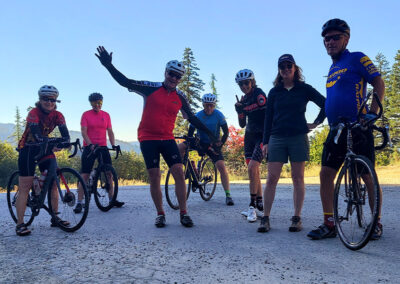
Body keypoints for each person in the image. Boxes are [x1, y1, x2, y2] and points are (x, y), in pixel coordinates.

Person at [95, 46, 218, 228]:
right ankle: (160, 213)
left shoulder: (180, 97)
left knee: (178, 172)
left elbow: (192, 118)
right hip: (148, 139)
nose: (174, 78)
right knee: (155, 177)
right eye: (171, 74)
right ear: (165, 72)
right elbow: (126, 82)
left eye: (178, 76)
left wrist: (210, 134)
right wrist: (109, 66)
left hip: (167, 139)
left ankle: (184, 213)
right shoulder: (150, 88)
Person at [307, 19, 385, 240]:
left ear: (346, 39)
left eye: (335, 37)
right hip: (336, 129)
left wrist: (372, 111)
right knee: (325, 174)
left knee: (367, 176)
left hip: (358, 126)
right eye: (326, 38)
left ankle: (376, 222)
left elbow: (378, 82)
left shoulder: (357, 57)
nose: (330, 42)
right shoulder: (333, 68)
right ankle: (330, 223)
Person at [258, 54, 326, 233]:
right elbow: (268, 118)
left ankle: (296, 217)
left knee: (298, 178)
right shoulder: (274, 92)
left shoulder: (304, 89)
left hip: (298, 137)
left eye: (289, 66)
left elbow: (325, 104)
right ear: (279, 71)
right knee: (271, 178)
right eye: (282, 67)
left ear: (295, 68)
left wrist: (316, 123)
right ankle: (265, 217)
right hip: (277, 137)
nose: (286, 69)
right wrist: (265, 142)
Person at [15, 85, 71, 236]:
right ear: (40, 100)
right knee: (25, 186)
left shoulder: (58, 115)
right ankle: (20, 224)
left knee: (53, 183)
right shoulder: (34, 113)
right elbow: (37, 135)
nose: (49, 102)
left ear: (56, 101)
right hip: (28, 148)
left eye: (52, 99)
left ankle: (55, 218)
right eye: (45, 99)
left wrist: (64, 142)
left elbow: (66, 136)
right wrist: (55, 141)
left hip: (45, 148)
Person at [178, 93, 234, 206]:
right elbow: (191, 130)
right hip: (200, 142)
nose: (209, 108)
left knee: (221, 167)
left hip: (213, 144)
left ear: (214, 105)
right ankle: (188, 169)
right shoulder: (199, 115)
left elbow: (226, 132)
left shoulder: (218, 115)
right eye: (207, 105)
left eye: (211, 105)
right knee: (180, 148)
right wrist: (188, 139)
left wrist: (220, 144)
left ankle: (228, 195)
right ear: (203, 105)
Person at [74, 92, 124, 213]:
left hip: (102, 147)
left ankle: (112, 199)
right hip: (89, 147)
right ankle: (79, 202)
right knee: (84, 175)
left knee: (109, 173)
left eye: (99, 102)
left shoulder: (106, 115)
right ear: (91, 104)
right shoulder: (86, 115)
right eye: (94, 103)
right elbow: (84, 132)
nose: (97, 105)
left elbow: (110, 131)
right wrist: (90, 144)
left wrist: (113, 144)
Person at [234, 69, 267, 222]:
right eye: (241, 84)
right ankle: (260, 202)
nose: (244, 86)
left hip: (262, 135)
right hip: (249, 137)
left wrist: (268, 139)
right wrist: (239, 110)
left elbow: (268, 116)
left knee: (252, 167)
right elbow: (241, 124)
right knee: (253, 171)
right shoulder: (244, 100)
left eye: (246, 83)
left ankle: (252, 206)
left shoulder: (259, 94)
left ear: (252, 82)